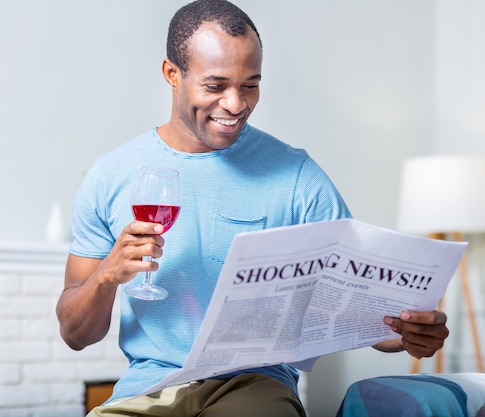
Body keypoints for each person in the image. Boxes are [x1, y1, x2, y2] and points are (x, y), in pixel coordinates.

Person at [55, 1, 449, 416]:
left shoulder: (296, 175)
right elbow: (75, 333)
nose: (235, 103)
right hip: (148, 387)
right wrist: (105, 278)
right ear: (173, 74)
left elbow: (361, 308)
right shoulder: (110, 175)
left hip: (255, 384)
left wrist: (407, 331)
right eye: (215, 85)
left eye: (250, 85)